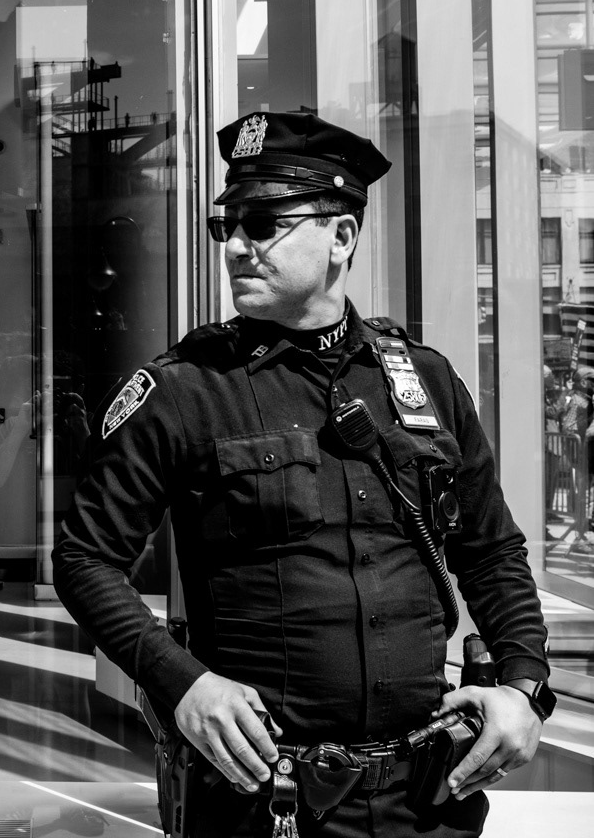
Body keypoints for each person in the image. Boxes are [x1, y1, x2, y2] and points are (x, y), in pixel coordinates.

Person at [54, 112, 552, 838]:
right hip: (267, 799)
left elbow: (491, 550)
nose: (237, 248)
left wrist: (524, 687)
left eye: (263, 224)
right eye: (227, 226)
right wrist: (181, 683)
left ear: (342, 237)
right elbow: (84, 559)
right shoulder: (186, 390)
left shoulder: (426, 381)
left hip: (430, 795)